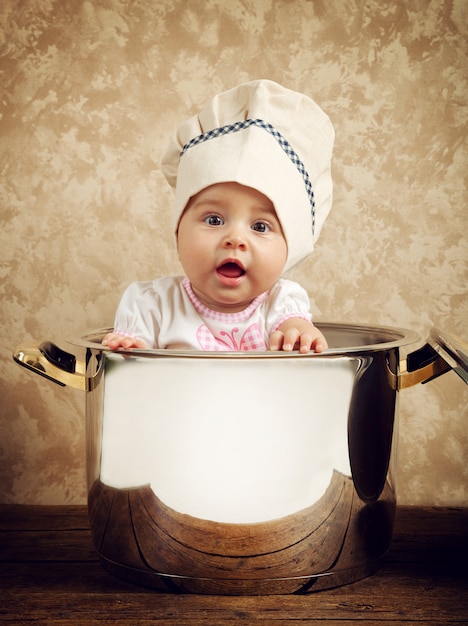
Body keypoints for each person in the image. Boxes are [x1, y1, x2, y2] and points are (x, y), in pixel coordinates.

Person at [102, 80, 334, 353]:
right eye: (214, 220)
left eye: (260, 226)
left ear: (290, 248)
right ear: (178, 230)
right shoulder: (153, 305)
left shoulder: (281, 304)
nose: (235, 238)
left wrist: (300, 336)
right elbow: (132, 377)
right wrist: (129, 351)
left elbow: (295, 331)